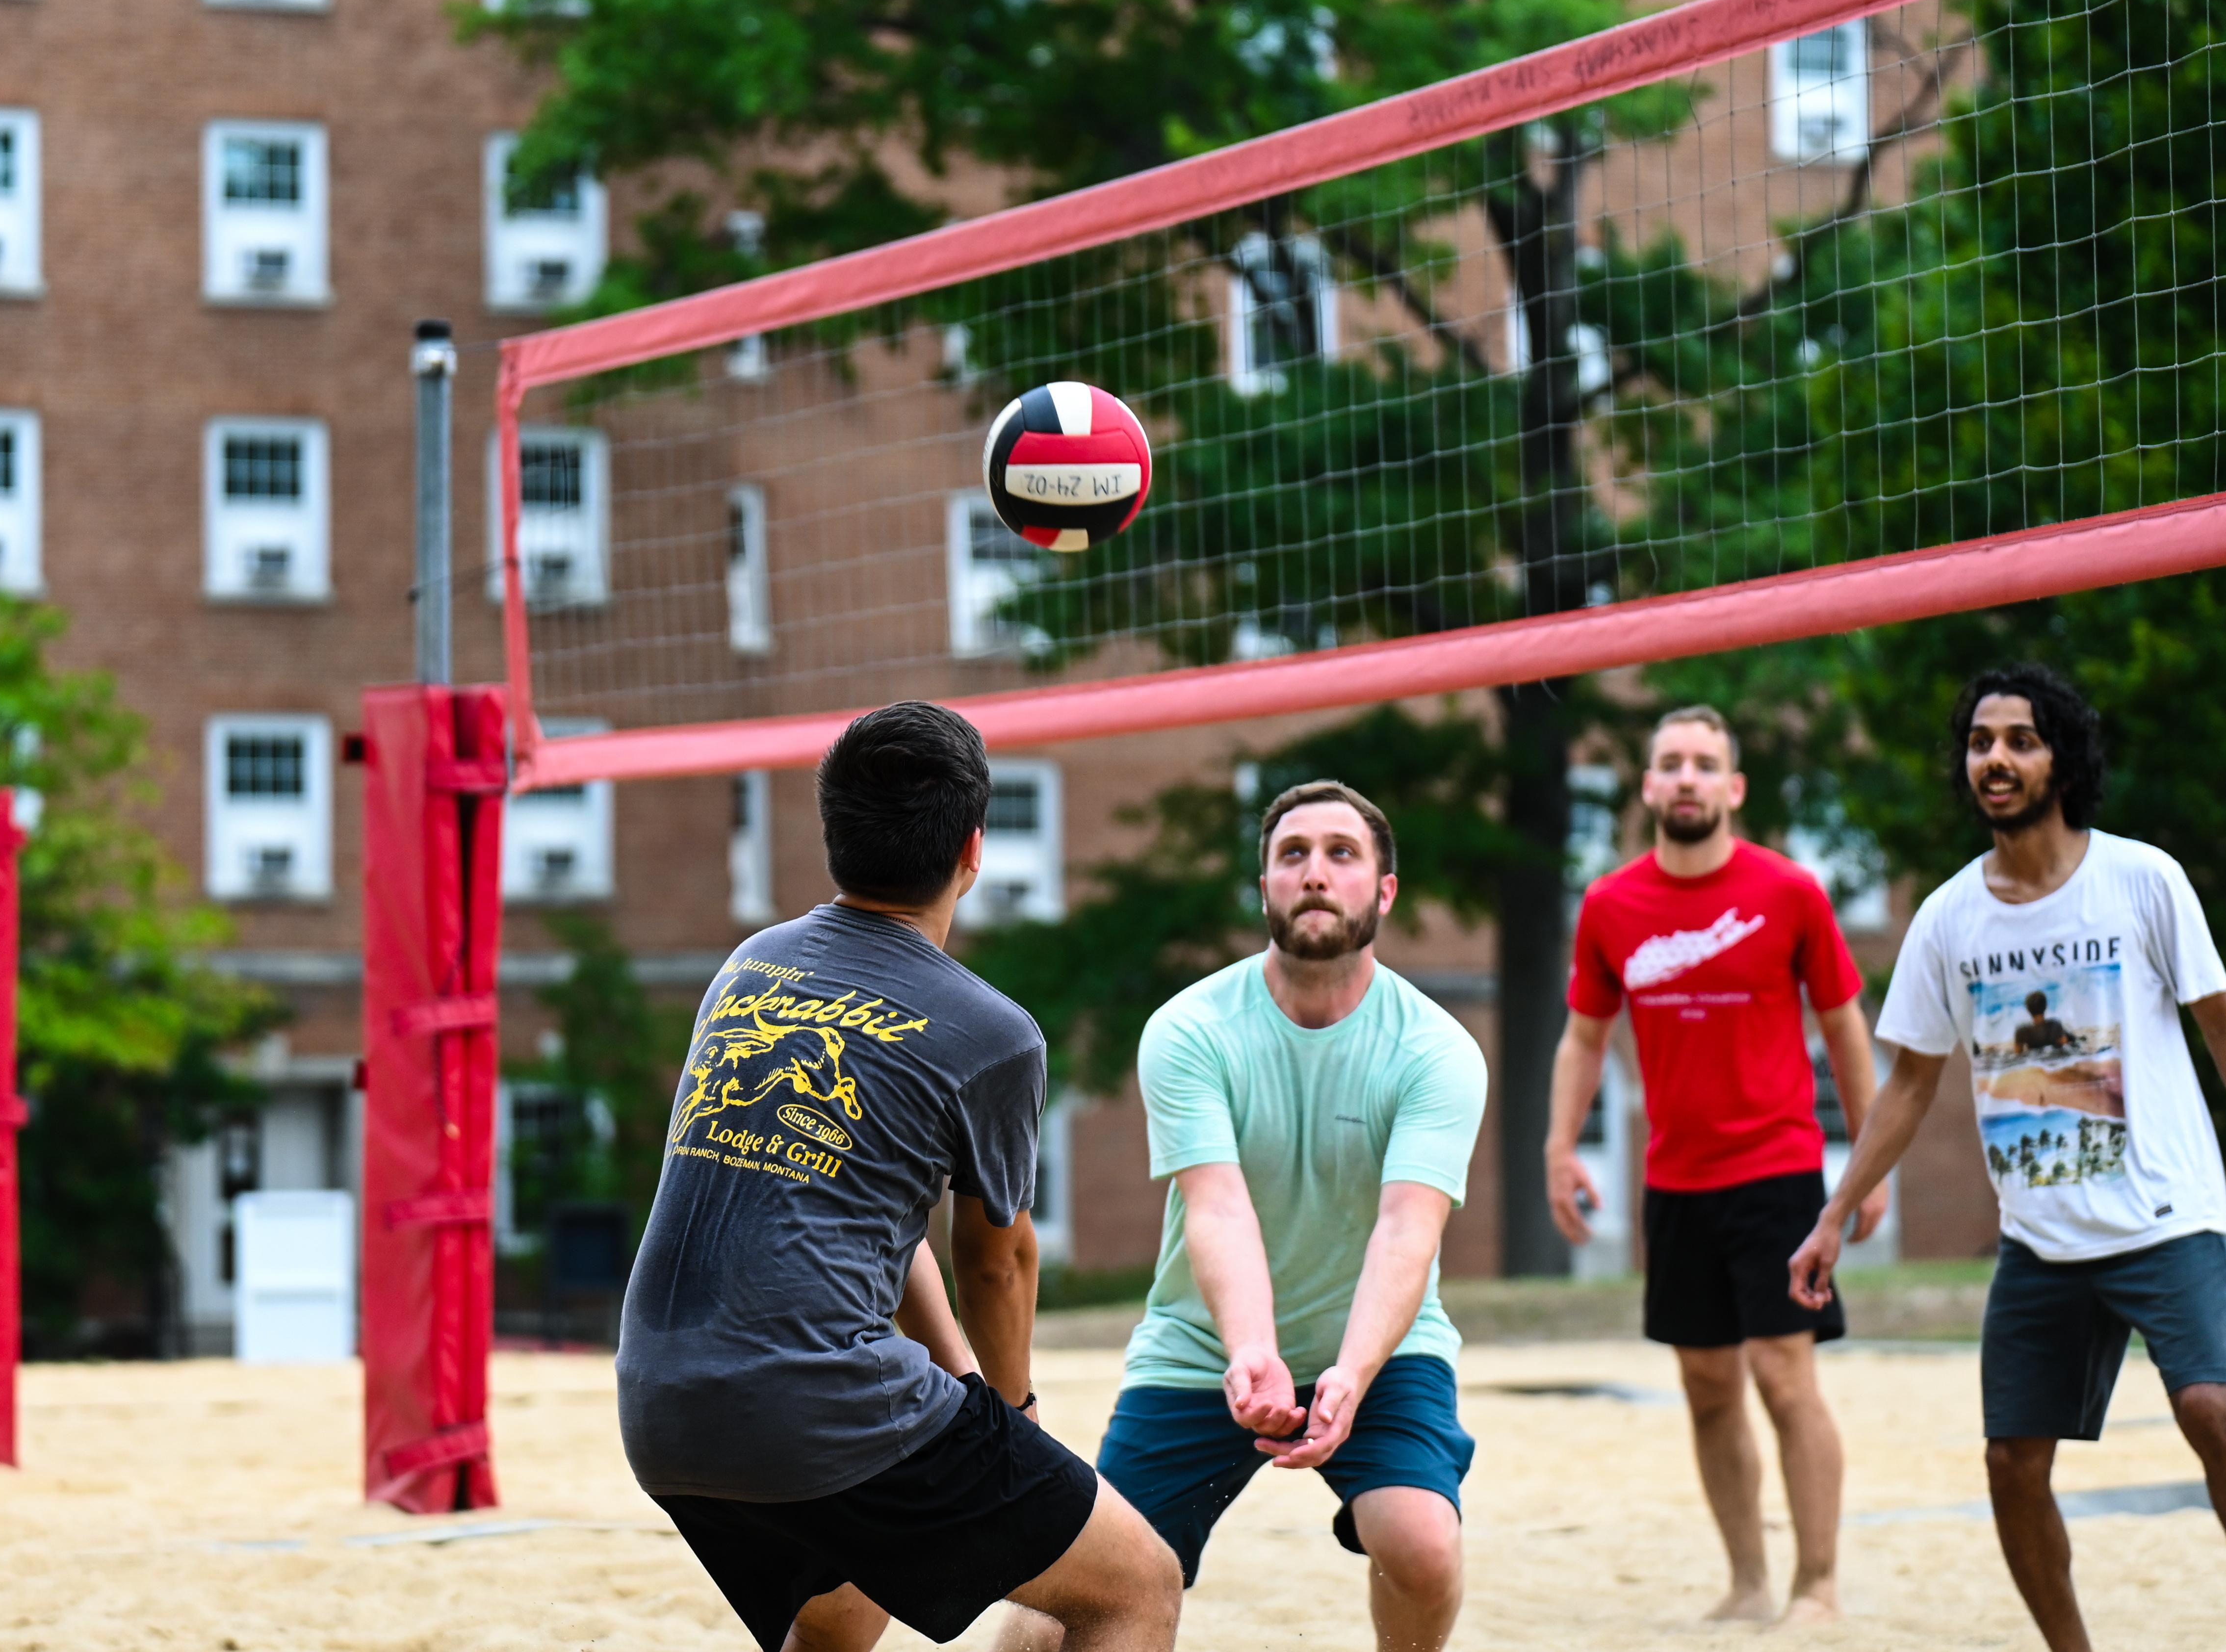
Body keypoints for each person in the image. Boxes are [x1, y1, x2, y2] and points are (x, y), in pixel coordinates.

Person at [616, 700, 1181, 1652]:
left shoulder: (749, 968)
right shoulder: (992, 1031)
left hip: (662, 1404)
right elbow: (995, 1260)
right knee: (1135, 1586)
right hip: (813, 1405)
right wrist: (1011, 1420)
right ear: (972, 849)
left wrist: (959, 1384)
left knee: (843, 1608)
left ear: (832, 834)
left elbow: (873, 1213)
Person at [1789, 663, 2226, 1652]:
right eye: (1980, 741)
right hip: (2039, 1237)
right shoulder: (1948, 917)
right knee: (2007, 1458)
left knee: (2208, 1406)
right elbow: (1908, 1082)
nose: (1994, 758)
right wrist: (1833, 1213)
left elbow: (2223, 1028)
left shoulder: (2140, 879)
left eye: (2019, 739)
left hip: (2164, 1214)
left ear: (2060, 758)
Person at [1003, 781, 1487, 1652]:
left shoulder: (1436, 1048)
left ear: (1383, 892)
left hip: (1380, 1347)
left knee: (1422, 1547)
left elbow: (1407, 1230)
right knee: (1066, 1596)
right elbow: (1217, 1208)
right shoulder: (1191, 1028)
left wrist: (1348, 1370)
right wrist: (1253, 1354)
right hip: (1202, 1348)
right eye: (1291, 855)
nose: (1314, 873)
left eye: (1342, 854)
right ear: (1262, 887)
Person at [1544, 704, 1886, 1626]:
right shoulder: (1611, 906)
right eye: (1670, 763)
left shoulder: (1789, 891)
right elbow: (1584, 1036)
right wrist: (1558, 1148)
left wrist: (1870, 1161)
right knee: (1705, 1388)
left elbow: (1844, 1024)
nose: (1687, 778)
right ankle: (1745, 1583)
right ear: (1648, 787)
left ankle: (1815, 1584)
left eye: (1704, 764)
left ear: (1732, 789)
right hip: (1674, 1181)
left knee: (1783, 1376)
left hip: (1776, 1172)